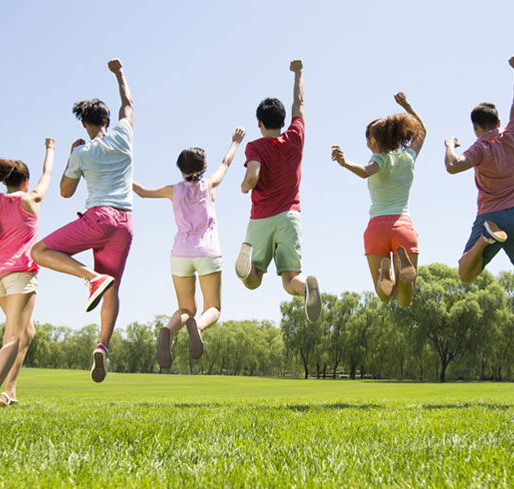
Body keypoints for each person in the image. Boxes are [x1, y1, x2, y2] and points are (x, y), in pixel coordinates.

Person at [29, 58, 134, 383]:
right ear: (107, 119)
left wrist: (71, 156)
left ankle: (89, 277)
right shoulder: (123, 136)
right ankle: (102, 345)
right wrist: (119, 74)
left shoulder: (82, 152)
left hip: (98, 217)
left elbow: (64, 191)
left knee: (39, 251)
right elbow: (128, 104)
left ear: (85, 123)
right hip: (125, 224)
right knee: (112, 286)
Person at [132, 127, 245, 370]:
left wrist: (122, 172)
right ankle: (199, 326)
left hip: (180, 254)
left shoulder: (172, 190)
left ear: (181, 170)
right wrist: (235, 141)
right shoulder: (210, 184)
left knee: (185, 308)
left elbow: (141, 192)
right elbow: (225, 162)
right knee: (212, 307)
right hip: (207, 252)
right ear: (203, 168)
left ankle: (170, 331)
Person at [443, 55, 514, 289]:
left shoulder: (480, 147)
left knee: (465, 273)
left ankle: (485, 239)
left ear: (475, 127)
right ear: (499, 122)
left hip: (490, 217)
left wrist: (449, 144)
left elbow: (453, 166)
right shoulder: (513, 135)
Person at [0, 138, 55, 407]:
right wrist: (50, 148)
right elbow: (48, 173)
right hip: (21, 273)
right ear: (25, 181)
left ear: (5, 182)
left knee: (27, 333)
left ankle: (10, 392)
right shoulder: (32, 198)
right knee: (14, 336)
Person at [235, 59, 322, 321]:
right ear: (284, 121)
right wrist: (298, 74)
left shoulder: (255, 146)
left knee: (254, 281)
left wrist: (243, 186)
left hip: (261, 218)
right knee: (289, 280)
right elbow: (299, 103)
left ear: (259, 122)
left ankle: (247, 263)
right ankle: (307, 286)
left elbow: (252, 176)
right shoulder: (295, 136)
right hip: (289, 217)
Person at [329, 92, 426, 306]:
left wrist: (345, 163)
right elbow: (422, 131)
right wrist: (407, 106)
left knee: (384, 295)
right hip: (403, 227)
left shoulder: (379, 159)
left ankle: (385, 274)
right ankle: (402, 268)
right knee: (405, 300)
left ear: (373, 140)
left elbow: (365, 171)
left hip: (377, 229)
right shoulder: (408, 158)